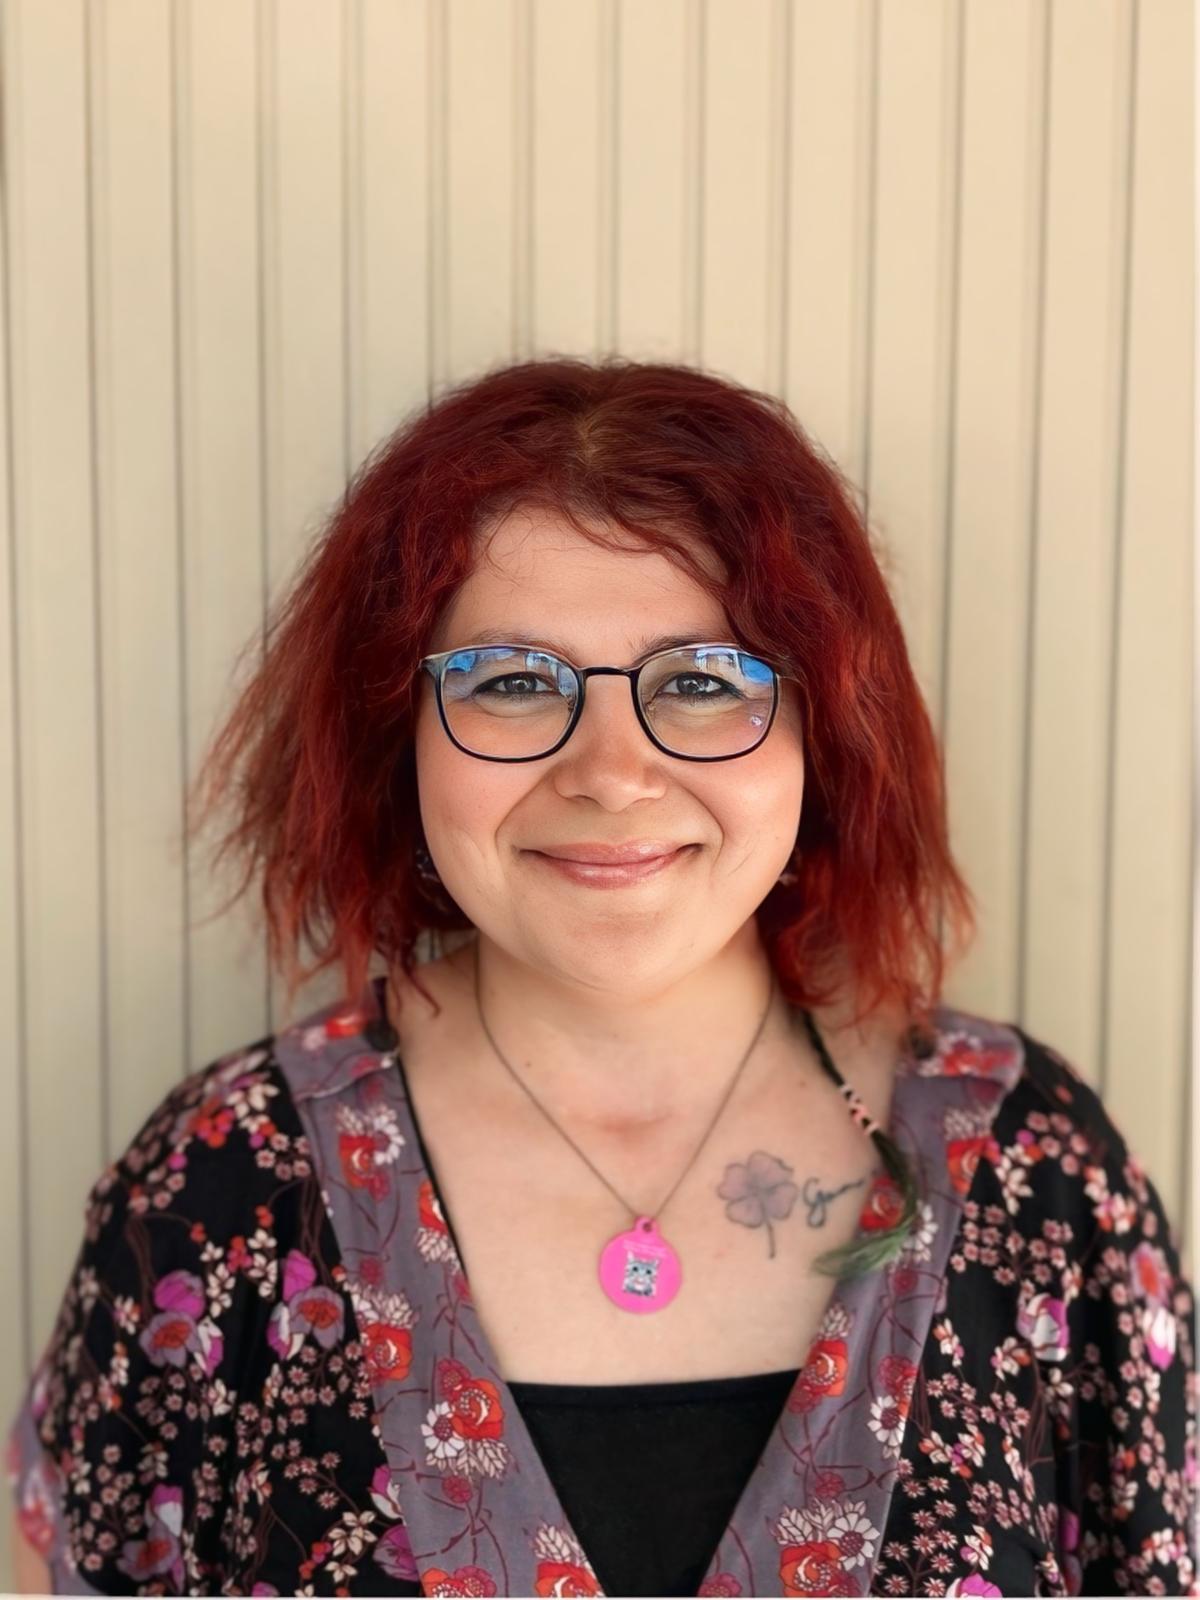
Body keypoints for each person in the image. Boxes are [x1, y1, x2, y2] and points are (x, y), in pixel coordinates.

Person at [7, 356, 1196, 1597]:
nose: (612, 773)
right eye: (515, 682)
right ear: (397, 732)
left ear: (825, 729)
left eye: (706, 681)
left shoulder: (1038, 1177)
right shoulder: (220, 1190)